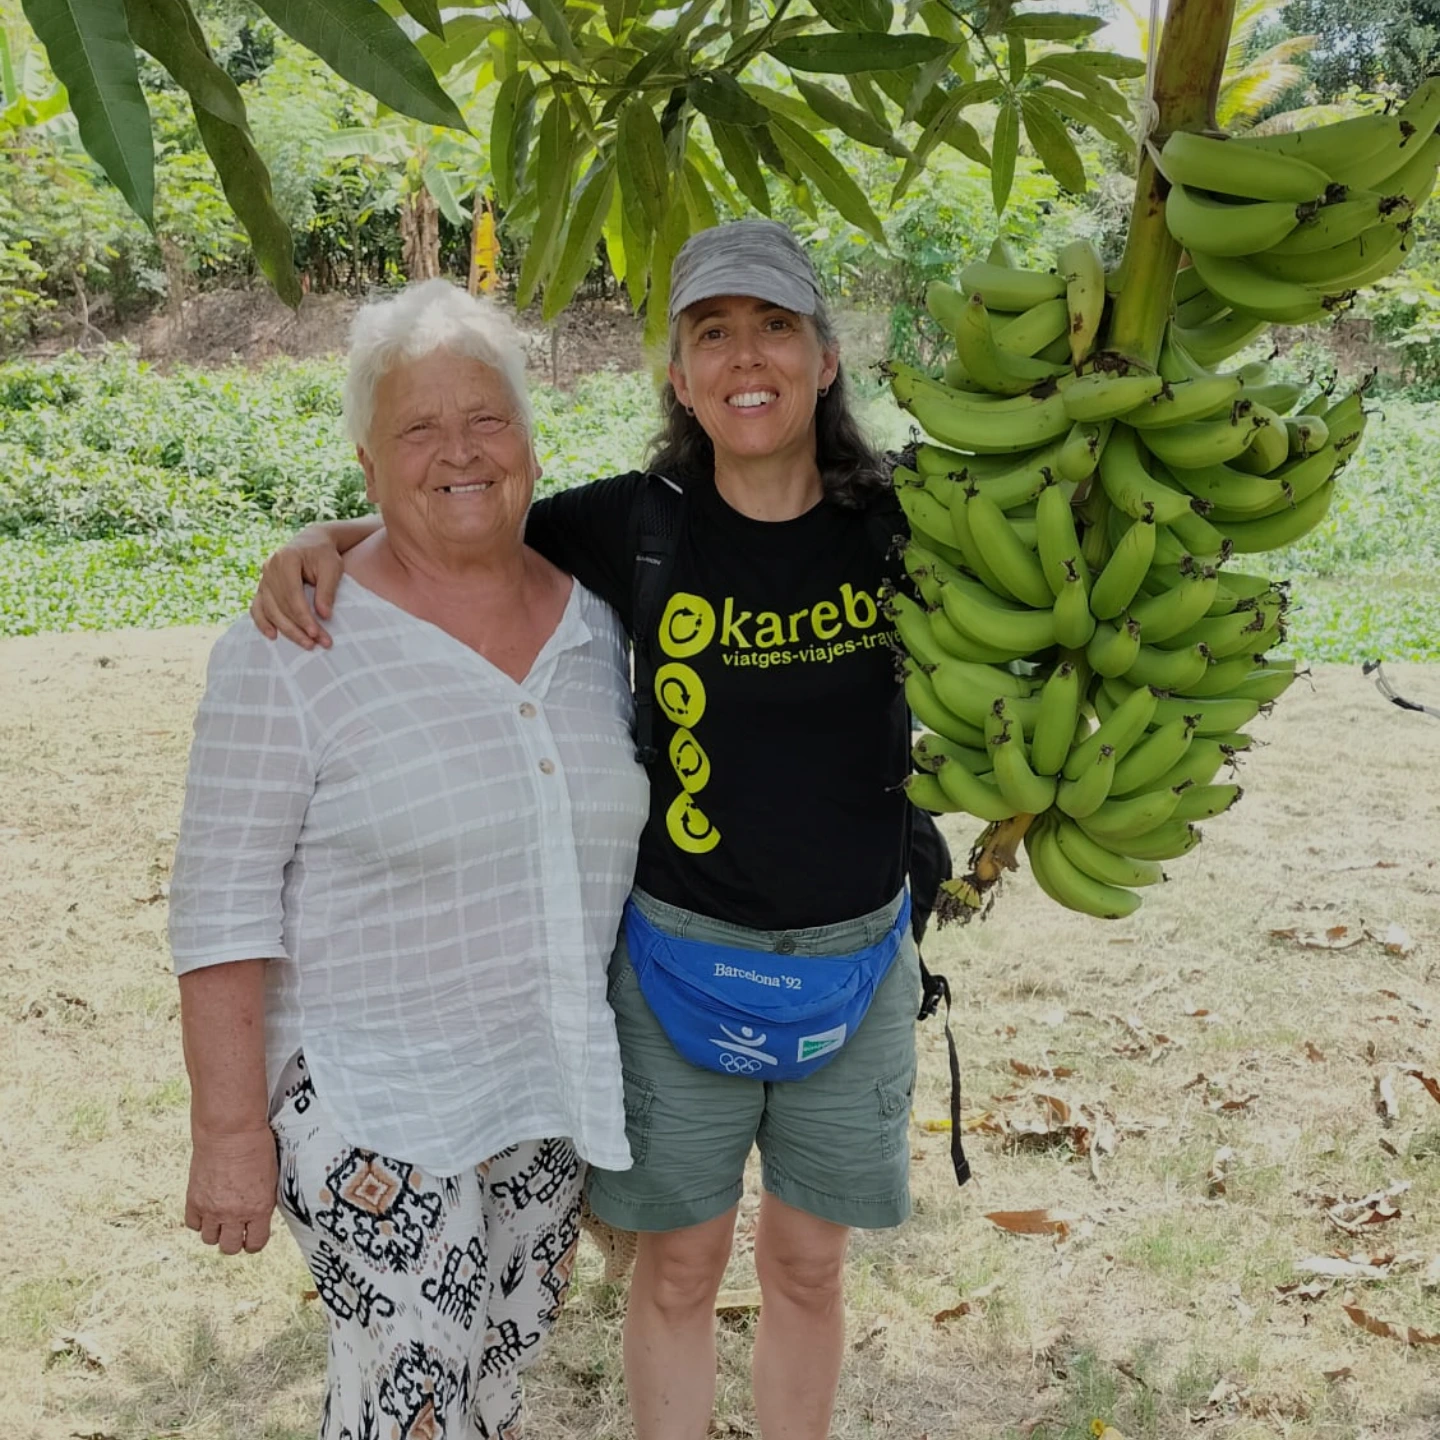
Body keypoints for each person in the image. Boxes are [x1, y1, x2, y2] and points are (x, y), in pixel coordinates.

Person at [250, 219, 933, 1440]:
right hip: (677, 965)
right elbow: (456, 517)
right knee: (676, 1271)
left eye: (774, 325)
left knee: (810, 1268)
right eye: (711, 333)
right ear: (678, 375)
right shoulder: (632, 524)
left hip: (856, 962)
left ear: (826, 358)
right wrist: (321, 542)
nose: (745, 357)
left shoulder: (908, 523)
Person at [170, 282, 649, 1440]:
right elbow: (219, 904)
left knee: (492, 1383)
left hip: (539, 1088)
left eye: (486, 419)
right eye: (417, 431)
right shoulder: (294, 645)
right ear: (367, 464)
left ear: (531, 439)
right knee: (410, 1398)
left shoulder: (602, 626)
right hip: (365, 1096)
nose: (461, 453)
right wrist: (228, 1135)